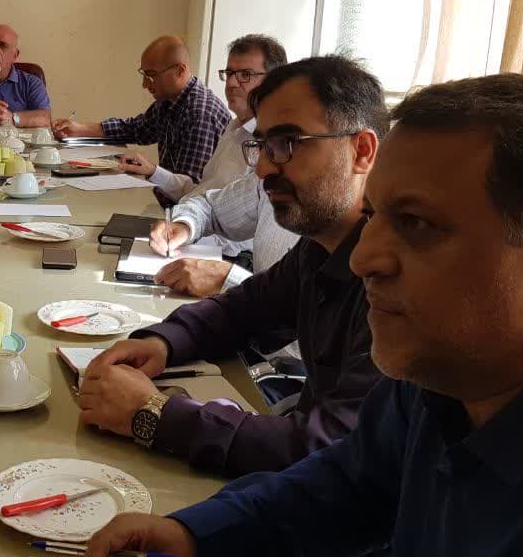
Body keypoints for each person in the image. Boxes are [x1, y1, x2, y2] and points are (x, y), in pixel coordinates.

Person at [86, 75, 523, 557]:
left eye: (417, 224)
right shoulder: (451, 367)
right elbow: (347, 483)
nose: (365, 257)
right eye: (375, 216)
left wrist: (157, 419)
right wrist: (197, 534)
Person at [77, 56, 389, 477]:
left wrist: (155, 415)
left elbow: (333, 449)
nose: (262, 169)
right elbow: (244, 309)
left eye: (286, 143)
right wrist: (163, 343)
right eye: (262, 146)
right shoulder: (322, 246)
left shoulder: (396, 280)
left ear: (362, 151)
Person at [135, 34, 299, 296]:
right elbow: (210, 202)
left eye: (245, 75)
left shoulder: (204, 113)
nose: (232, 83)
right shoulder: (234, 129)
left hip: (228, 260)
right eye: (230, 73)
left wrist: (226, 278)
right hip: (203, 250)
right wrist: (183, 225)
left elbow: (290, 304)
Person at [53, 36, 231, 206]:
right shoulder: (169, 101)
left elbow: (189, 193)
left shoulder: (200, 114)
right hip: (165, 201)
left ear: (180, 70)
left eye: (151, 75)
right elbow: (136, 129)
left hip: (182, 216)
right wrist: (79, 129)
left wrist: (151, 171)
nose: (145, 84)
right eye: (144, 75)